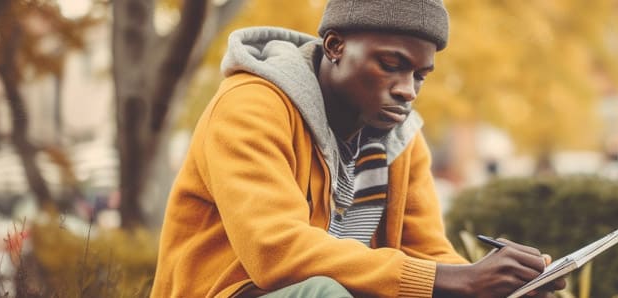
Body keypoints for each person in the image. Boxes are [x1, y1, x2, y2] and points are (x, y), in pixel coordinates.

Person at [150, 0, 566, 297]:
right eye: (390, 65)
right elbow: (276, 252)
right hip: (238, 291)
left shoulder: (402, 140)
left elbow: (427, 254)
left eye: (420, 76)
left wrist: (493, 285)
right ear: (335, 46)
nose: (407, 90)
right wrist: (456, 282)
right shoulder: (251, 106)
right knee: (322, 292)